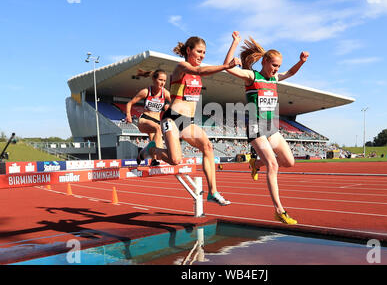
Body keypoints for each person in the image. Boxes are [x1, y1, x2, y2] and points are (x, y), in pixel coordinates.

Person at [138, 36, 241, 206]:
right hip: (172, 118)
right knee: (175, 160)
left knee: (208, 147)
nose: (202, 55)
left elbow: (224, 65)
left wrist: (234, 43)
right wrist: (225, 66)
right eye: (199, 52)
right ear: (188, 50)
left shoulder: (199, 69)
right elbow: (201, 71)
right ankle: (152, 149)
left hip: (188, 121)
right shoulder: (181, 67)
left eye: (204, 53)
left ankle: (213, 192)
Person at [224, 31, 309, 224]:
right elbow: (228, 67)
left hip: (272, 129)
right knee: (274, 164)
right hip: (256, 129)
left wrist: (301, 61)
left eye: (278, 66)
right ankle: (280, 210)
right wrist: (235, 43)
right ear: (264, 62)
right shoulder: (251, 76)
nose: (276, 69)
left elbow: (291, 72)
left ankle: (256, 164)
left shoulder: (274, 79)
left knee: (289, 162)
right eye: (274, 65)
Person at [126, 69, 171, 166]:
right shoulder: (146, 92)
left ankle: (144, 156)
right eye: (160, 80)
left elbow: (174, 104)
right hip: (145, 119)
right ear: (154, 80)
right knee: (157, 128)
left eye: (164, 81)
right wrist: (128, 115)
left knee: (152, 142)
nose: (163, 83)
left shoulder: (166, 93)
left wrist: (168, 106)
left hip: (157, 121)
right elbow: (130, 103)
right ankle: (160, 154)